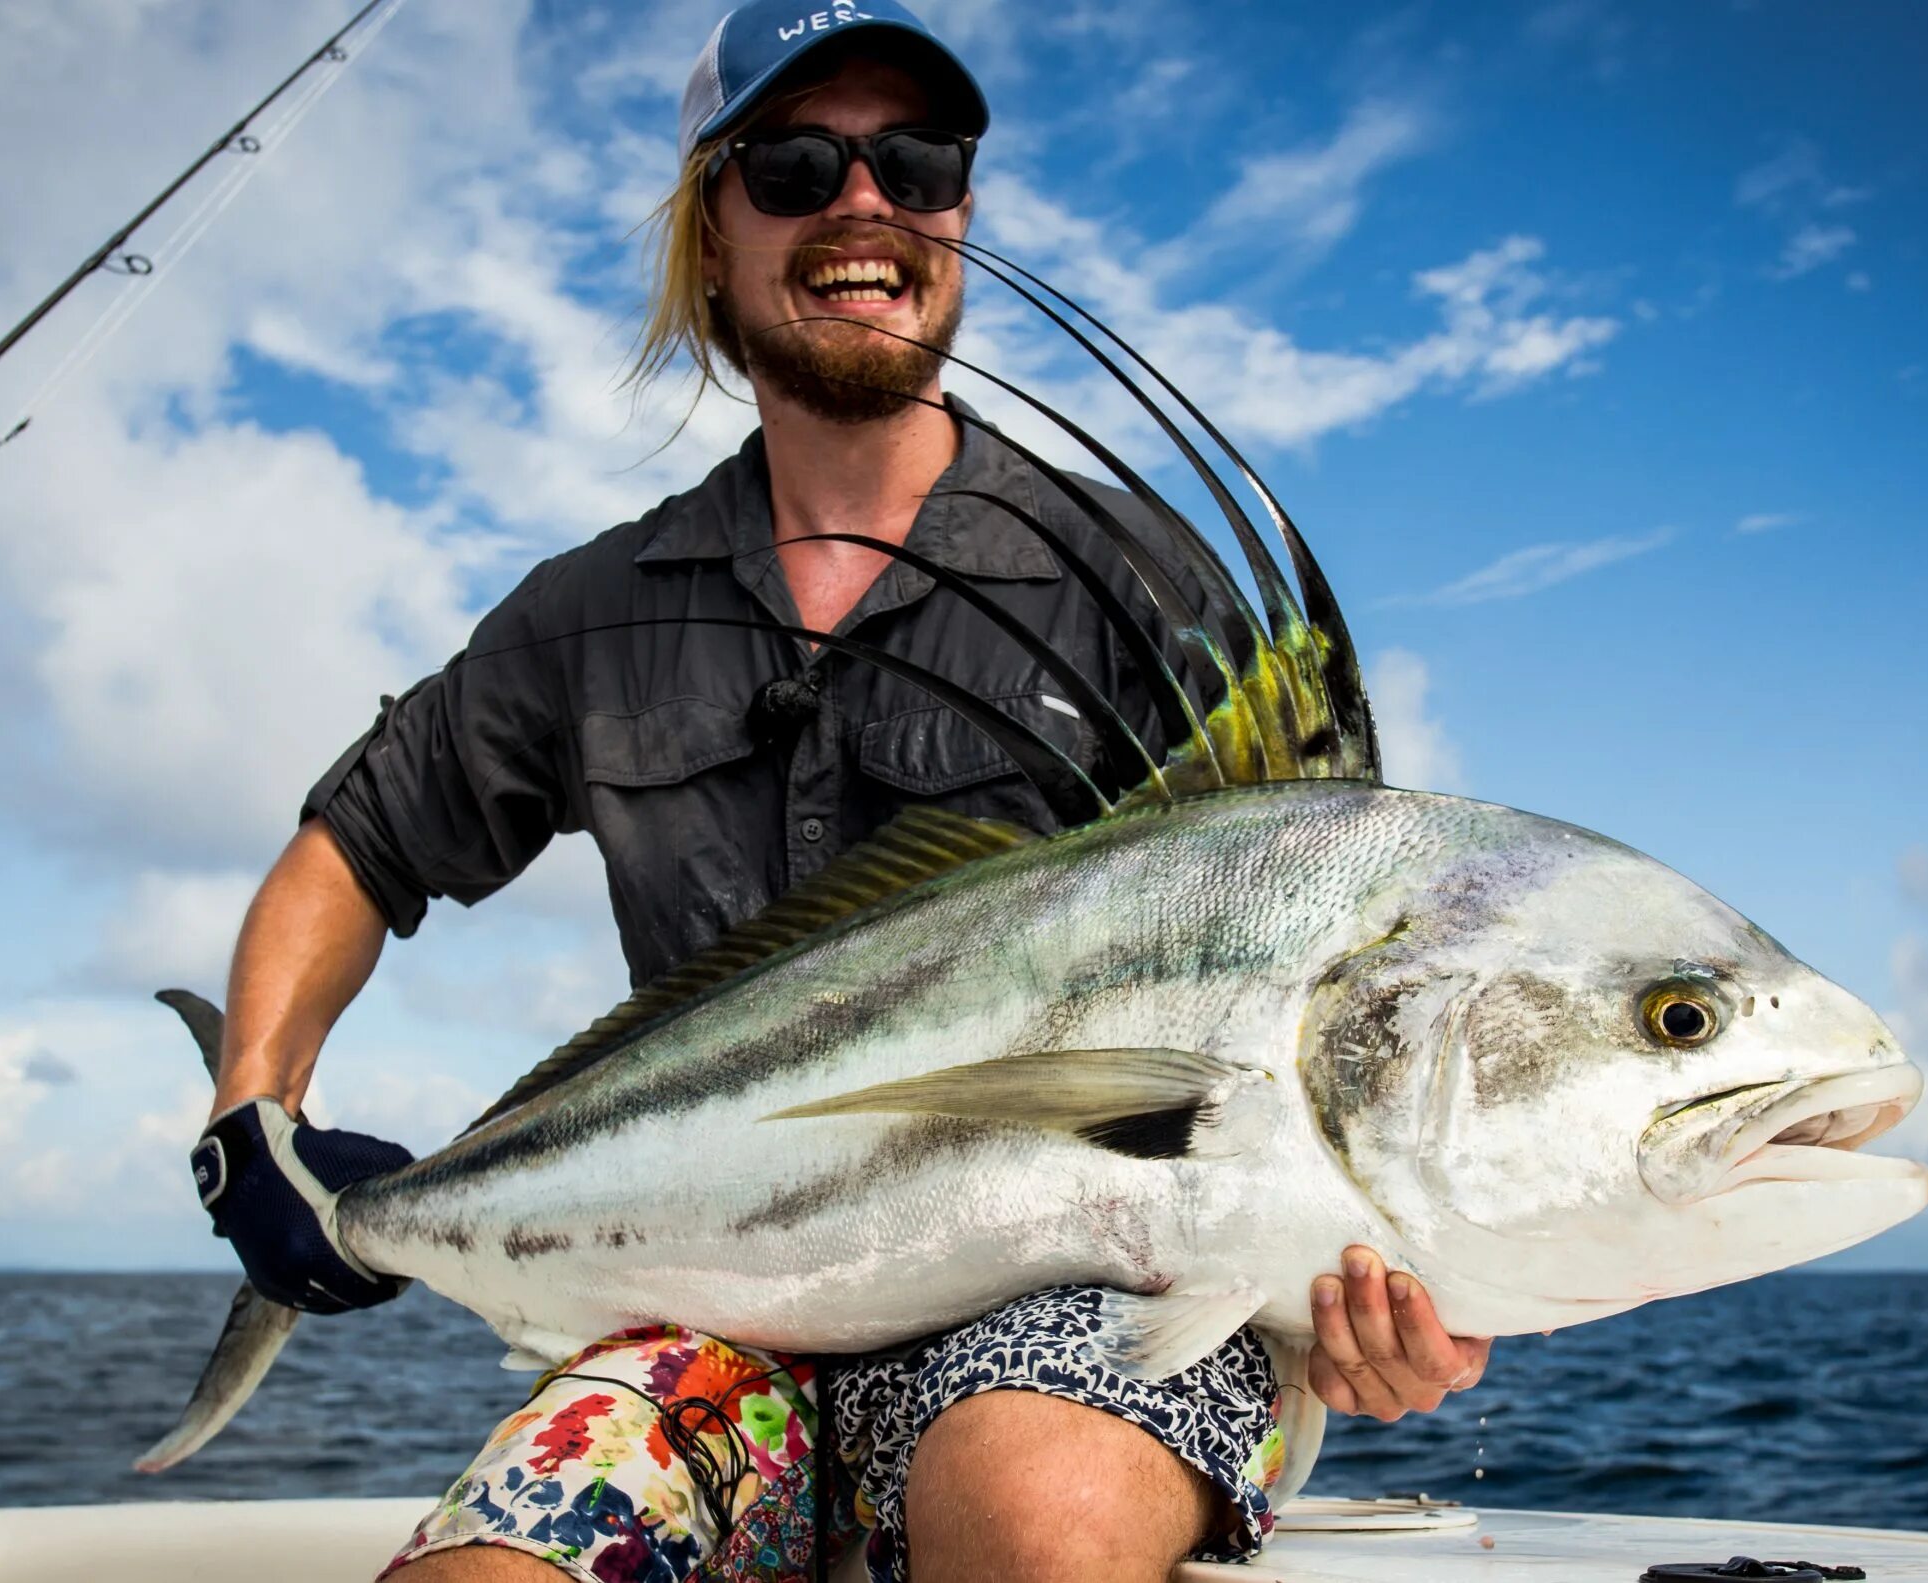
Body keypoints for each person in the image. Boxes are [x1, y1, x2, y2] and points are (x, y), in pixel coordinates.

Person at [189, 4, 1492, 1580]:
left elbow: (1339, 949)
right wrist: (253, 1120)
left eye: (918, 160)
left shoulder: (1137, 579)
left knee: (1041, 1519)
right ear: (711, 226)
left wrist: (1399, 1280)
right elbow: (357, 846)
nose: (864, 204)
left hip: (1095, 1303)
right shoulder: (590, 611)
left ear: (958, 210)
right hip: (713, 1298)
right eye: (798, 163)